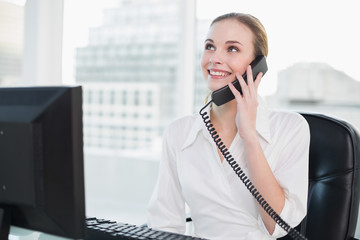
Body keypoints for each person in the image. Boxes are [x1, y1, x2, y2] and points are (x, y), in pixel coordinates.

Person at [147, 12, 310, 240]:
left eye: (232, 49)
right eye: (210, 46)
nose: (214, 58)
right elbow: (164, 224)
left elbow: (277, 225)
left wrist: (249, 136)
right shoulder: (179, 133)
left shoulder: (290, 128)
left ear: (257, 65)